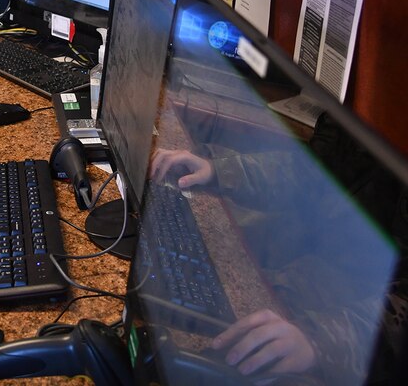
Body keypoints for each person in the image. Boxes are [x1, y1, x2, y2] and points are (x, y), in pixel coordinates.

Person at [150, 111, 408, 386]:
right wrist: (217, 171)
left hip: (366, 333)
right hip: (327, 275)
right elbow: (314, 171)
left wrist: (322, 341)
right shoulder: (371, 87)